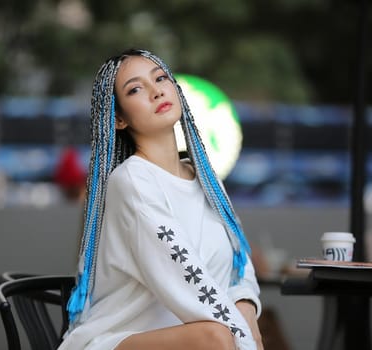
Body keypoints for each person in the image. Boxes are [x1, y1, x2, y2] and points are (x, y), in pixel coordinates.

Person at [58, 49, 263, 350]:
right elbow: (189, 277)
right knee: (215, 338)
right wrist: (247, 341)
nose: (156, 91)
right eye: (136, 89)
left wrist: (245, 302)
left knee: (220, 335)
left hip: (193, 340)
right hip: (119, 340)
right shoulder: (132, 183)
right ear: (118, 119)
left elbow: (238, 261)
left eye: (161, 78)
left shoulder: (207, 179)